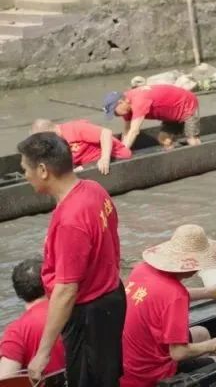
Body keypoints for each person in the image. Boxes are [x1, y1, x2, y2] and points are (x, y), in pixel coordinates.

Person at [17, 132, 124, 385]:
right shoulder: (94, 189)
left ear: (43, 170)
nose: (24, 176)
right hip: (112, 296)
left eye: (25, 169)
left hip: (89, 314)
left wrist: (42, 353)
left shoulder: (70, 221)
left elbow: (66, 289)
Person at [121, 225, 216, 387]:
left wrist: (208, 292)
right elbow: (178, 352)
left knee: (201, 333)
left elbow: (161, 297)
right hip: (150, 376)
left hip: (128, 364)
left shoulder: (142, 270)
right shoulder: (175, 295)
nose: (198, 270)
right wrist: (215, 344)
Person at [0, 259, 66, 379]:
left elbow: (5, 380)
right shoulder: (75, 310)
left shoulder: (17, 331)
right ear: (50, 282)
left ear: (18, 293)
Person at [105, 84, 201, 150]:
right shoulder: (126, 107)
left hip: (187, 104)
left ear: (120, 102)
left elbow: (134, 131)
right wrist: (122, 148)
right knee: (163, 139)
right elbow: (127, 130)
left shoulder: (139, 101)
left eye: (115, 112)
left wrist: (124, 151)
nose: (115, 115)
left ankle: (199, 156)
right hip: (171, 113)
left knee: (192, 139)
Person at [30, 119, 132, 175]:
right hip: (87, 163)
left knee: (75, 172)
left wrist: (105, 158)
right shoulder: (55, 142)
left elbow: (106, 133)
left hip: (116, 157)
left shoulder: (75, 128)